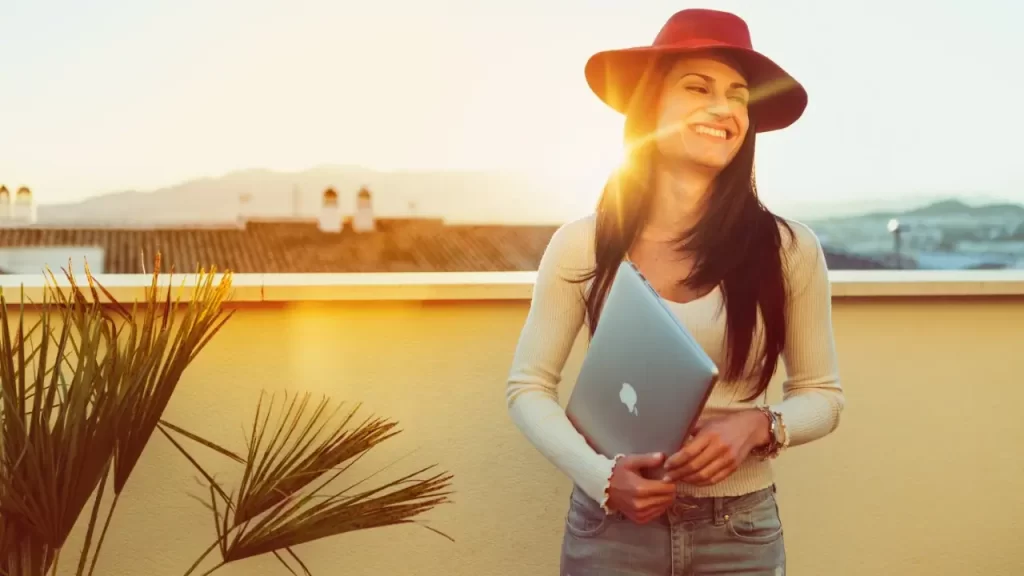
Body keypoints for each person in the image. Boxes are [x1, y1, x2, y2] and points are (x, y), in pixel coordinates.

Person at [504, 8, 845, 575]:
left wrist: (760, 425)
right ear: (651, 105)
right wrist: (603, 478)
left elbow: (824, 395)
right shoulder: (581, 244)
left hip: (740, 531)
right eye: (698, 87)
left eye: (738, 95)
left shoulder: (789, 249)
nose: (724, 108)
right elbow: (527, 388)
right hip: (609, 527)